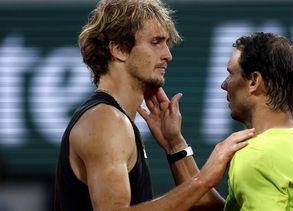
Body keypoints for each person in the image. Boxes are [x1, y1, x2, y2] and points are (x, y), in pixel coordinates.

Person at [54, 0, 254, 210]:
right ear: (119, 49)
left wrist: (174, 144)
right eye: (156, 42)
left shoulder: (114, 119)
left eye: (166, 43)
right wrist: (202, 180)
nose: (168, 54)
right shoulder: (106, 121)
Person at [219, 32, 293, 210]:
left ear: (254, 81)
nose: (224, 84)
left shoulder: (255, 156)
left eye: (231, 74)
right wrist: (177, 146)